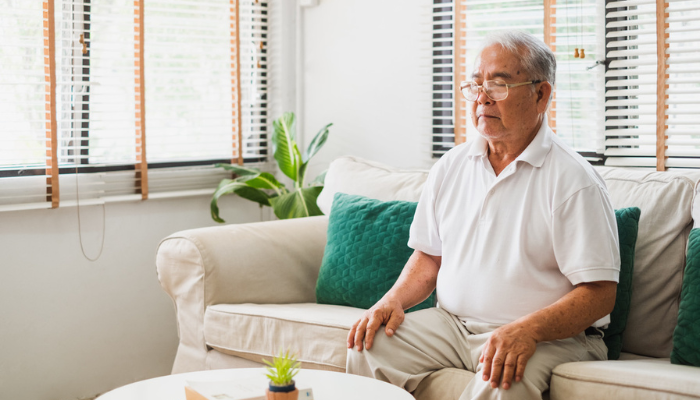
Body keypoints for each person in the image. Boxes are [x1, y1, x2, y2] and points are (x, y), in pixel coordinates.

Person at [345, 31, 620, 400]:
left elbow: (600, 294)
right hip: (454, 326)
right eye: (475, 85)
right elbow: (429, 255)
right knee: (369, 344)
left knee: (502, 377)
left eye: (499, 85)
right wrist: (391, 300)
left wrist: (528, 329)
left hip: (553, 337)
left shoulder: (574, 180)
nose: (482, 98)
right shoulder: (452, 165)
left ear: (541, 95)